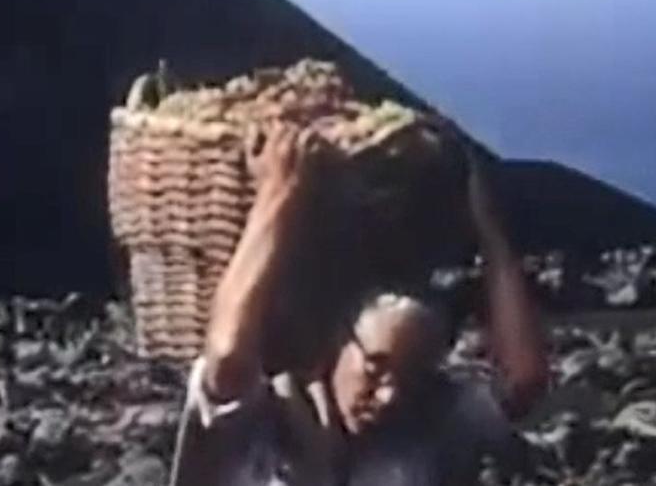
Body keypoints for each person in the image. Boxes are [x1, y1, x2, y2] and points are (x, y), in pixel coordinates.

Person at [168, 124, 548, 485]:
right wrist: (277, 191)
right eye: (375, 368)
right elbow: (228, 355)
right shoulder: (270, 413)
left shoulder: (422, 428)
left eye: (410, 379)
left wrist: (490, 233)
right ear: (336, 340)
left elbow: (522, 382)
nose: (387, 397)